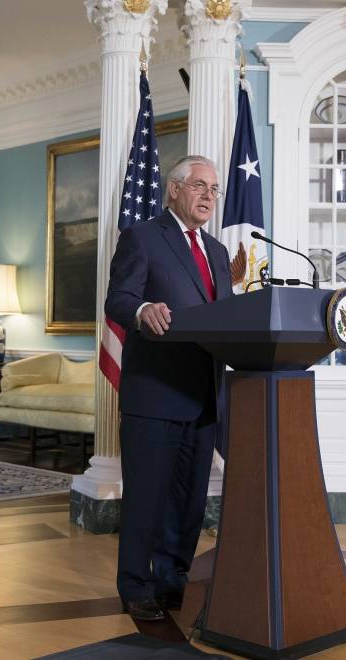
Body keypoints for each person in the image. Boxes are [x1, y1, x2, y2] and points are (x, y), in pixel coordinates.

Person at [105, 155, 233, 621]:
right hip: (155, 394)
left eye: (214, 190)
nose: (208, 196)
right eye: (199, 186)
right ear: (175, 189)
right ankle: (135, 585)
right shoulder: (142, 237)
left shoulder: (217, 252)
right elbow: (118, 299)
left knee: (188, 502)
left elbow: (224, 315)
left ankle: (172, 578)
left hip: (203, 397)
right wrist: (142, 311)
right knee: (147, 499)